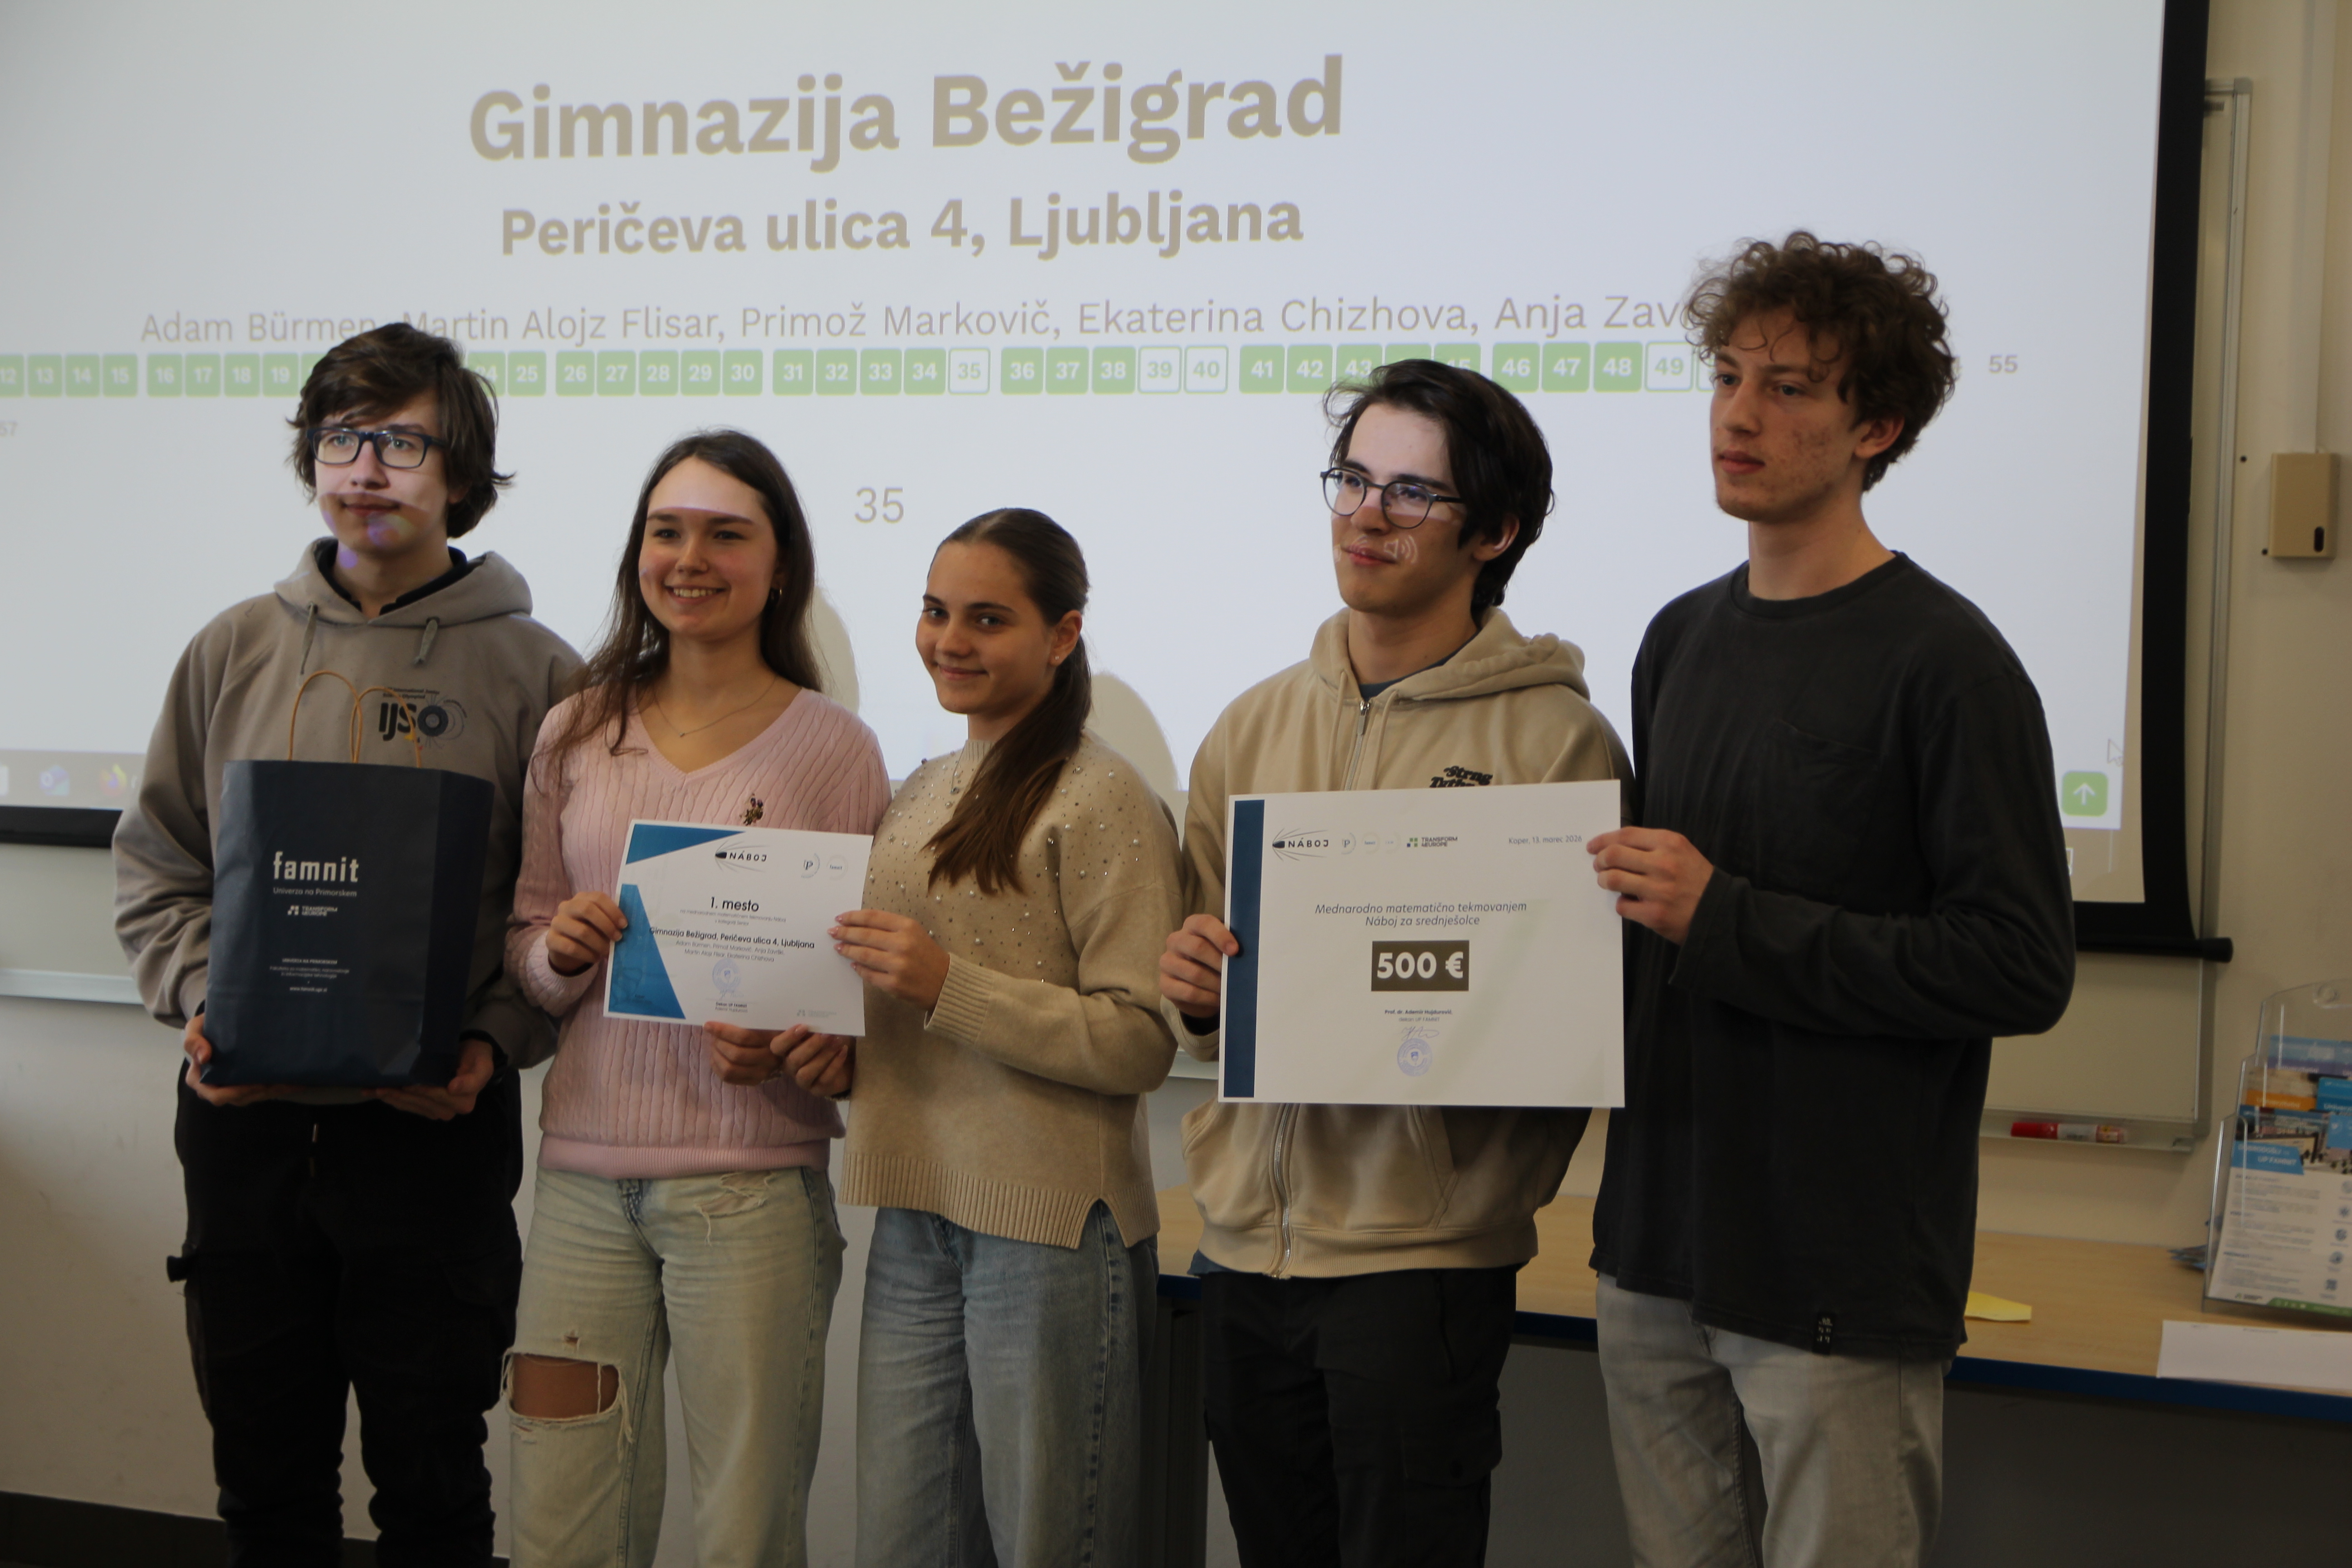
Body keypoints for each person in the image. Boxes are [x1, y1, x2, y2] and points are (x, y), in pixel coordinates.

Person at [1585, 232, 2076, 1568]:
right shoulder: (1678, 637)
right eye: (1728, 377)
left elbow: (2019, 963)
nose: (1739, 416)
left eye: (1789, 387)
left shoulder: (1950, 663)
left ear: (1878, 427)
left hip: (1835, 1266)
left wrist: (1727, 919)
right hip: (1655, 1240)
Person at [113, 323, 580, 1566]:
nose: (366, 470)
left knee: (433, 1485)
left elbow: (564, 909)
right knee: (265, 1483)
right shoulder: (233, 648)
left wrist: (494, 1040)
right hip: (247, 1130)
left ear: (461, 472)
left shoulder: (541, 674)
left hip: (432, 1135)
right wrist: (208, 1000)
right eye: (341, 440)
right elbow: (157, 862)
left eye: (402, 444)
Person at [1157, 359, 1627, 1567]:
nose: (1368, 515)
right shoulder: (1250, 725)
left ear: (1496, 531)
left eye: (1412, 493)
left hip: (1419, 1263)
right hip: (1244, 1247)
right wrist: (1199, 990)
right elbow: (1208, 989)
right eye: (1354, 480)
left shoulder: (1556, 742)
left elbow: (1564, 1023)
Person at [500, 431, 888, 1568]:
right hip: (580, 1185)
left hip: (750, 1188)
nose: (690, 558)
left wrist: (807, 1046)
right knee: (560, 1519)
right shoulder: (578, 728)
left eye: (726, 534)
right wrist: (560, 955)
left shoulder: (837, 749)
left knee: (743, 1530)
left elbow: (857, 994)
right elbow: (527, 941)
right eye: (666, 532)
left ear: (781, 563)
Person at [801, 509, 1183, 1568]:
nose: (948, 641)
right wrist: (842, 1054)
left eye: (986, 618)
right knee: (900, 1545)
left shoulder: (1104, 796)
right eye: (935, 611)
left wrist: (947, 986)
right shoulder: (921, 789)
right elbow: (910, 1010)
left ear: (1063, 635)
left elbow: (1141, 1040)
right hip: (916, 1213)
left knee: (1048, 1546)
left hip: (1051, 1231)